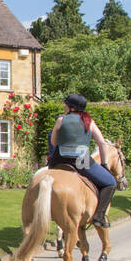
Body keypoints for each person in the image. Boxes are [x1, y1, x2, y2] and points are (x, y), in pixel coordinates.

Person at [47, 94, 118, 227]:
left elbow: (54, 142)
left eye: (66, 104)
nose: (64, 106)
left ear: (72, 108)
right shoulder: (89, 122)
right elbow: (102, 143)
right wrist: (104, 164)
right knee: (111, 182)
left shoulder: (60, 119)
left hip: (58, 160)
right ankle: (99, 216)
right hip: (82, 161)